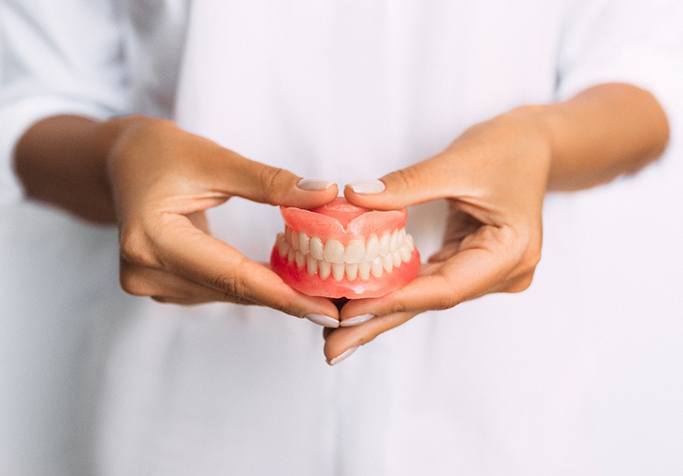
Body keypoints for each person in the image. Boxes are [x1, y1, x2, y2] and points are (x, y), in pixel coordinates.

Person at [1, 0, 682, 474]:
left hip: (504, 411)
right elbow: (34, 106)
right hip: (183, 414)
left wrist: (543, 144)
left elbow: (643, 78)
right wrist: (120, 157)